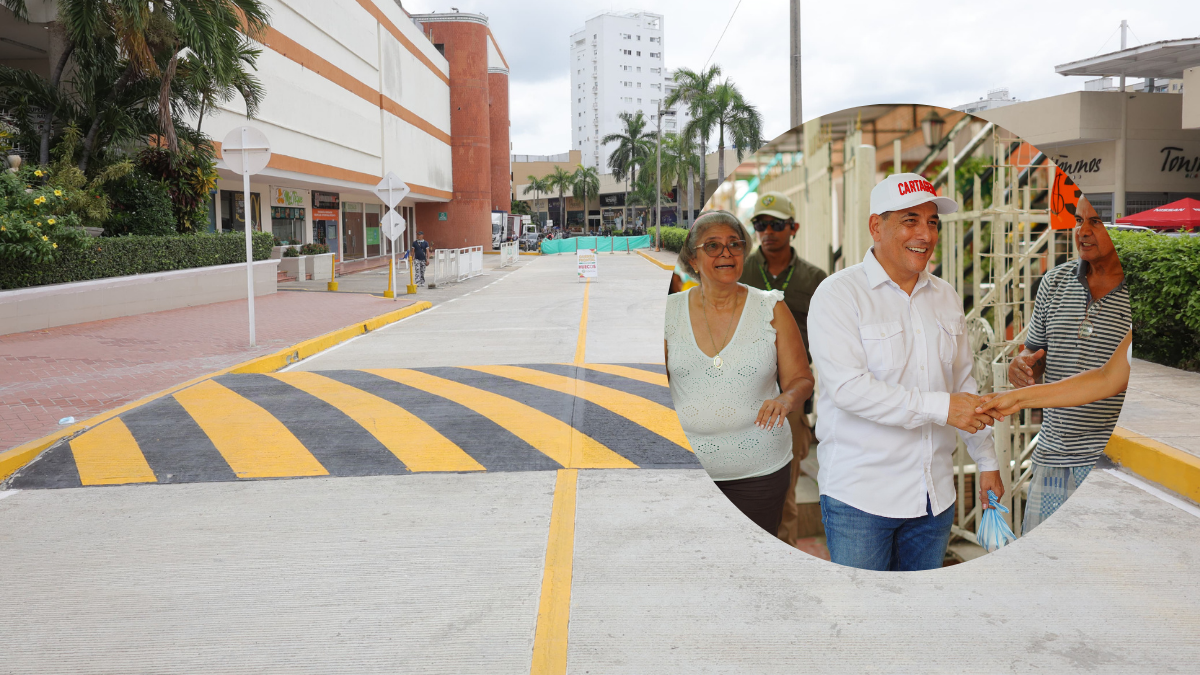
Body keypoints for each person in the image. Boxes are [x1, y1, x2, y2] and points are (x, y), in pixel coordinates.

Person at [807, 173, 1003, 572]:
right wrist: (942, 408)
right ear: (876, 226)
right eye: (910, 220)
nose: (925, 234)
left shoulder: (945, 296)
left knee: (918, 619)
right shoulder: (838, 295)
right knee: (864, 618)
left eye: (932, 222)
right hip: (860, 499)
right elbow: (849, 389)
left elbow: (964, 385)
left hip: (935, 498)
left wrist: (988, 462)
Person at [664, 210, 816, 535]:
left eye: (734, 244)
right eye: (713, 246)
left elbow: (801, 378)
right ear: (693, 259)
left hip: (760, 473)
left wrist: (787, 400)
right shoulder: (669, 313)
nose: (726, 253)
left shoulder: (770, 307)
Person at [1003, 198, 1130, 535]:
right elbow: (1035, 356)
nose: (1083, 231)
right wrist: (1021, 367)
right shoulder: (1054, 282)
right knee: (1047, 571)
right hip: (1052, 456)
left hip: (1110, 462)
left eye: (1096, 222)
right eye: (1078, 221)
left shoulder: (1139, 294)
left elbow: (1110, 378)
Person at [737, 191, 828, 546]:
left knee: (783, 500)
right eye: (761, 224)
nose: (768, 231)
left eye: (776, 224)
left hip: (790, 405)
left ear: (794, 228)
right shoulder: (740, 272)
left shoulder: (815, 279)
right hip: (739, 398)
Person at [977, 329, 1132, 416]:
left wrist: (1017, 399)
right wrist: (1016, 398)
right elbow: (1107, 378)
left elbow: (1107, 379)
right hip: (1052, 444)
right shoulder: (1053, 283)